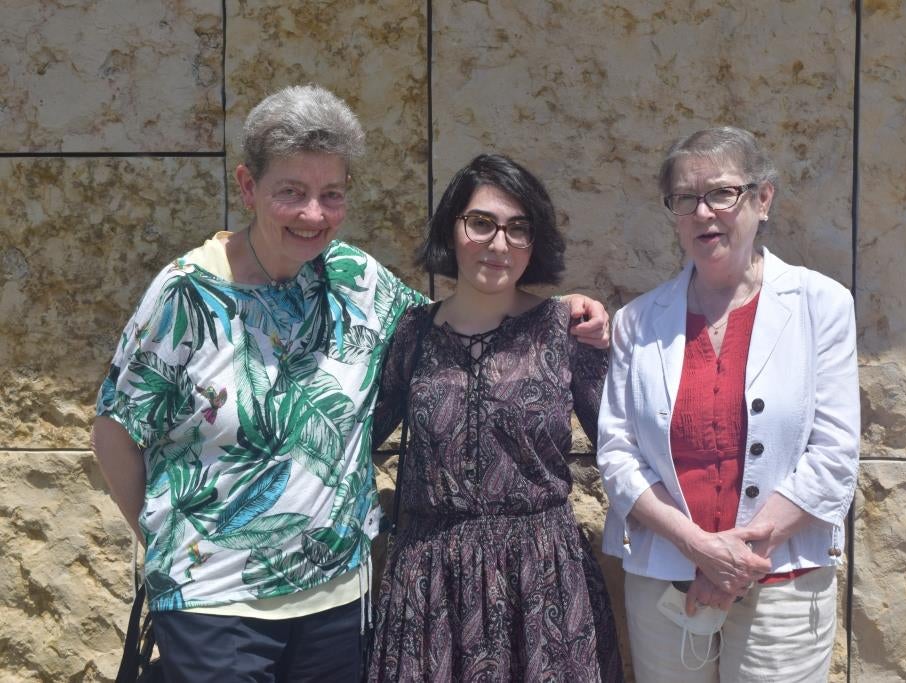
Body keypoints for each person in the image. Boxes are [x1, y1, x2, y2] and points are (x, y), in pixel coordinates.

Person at [91, 85, 609, 682]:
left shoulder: (356, 279)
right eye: (291, 191)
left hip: (337, 600)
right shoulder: (186, 294)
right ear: (247, 187)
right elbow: (114, 433)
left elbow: (463, 327)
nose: (313, 214)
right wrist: (171, 546)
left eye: (330, 194)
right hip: (214, 602)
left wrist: (562, 310)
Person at [597, 126, 859, 681]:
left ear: (763, 199)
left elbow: (834, 454)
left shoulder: (821, 305)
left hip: (783, 585)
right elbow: (617, 454)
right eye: (685, 198)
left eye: (721, 193)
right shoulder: (637, 322)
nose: (703, 212)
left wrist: (735, 561)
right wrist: (698, 547)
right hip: (667, 580)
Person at [366, 154, 624, 682]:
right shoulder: (412, 333)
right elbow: (355, 437)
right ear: (452, 228)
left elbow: (623, 444)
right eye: (481, 222)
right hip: (430, 585)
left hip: (542, 582)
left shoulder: (565, 329)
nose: (499, 244)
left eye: (518, 228)